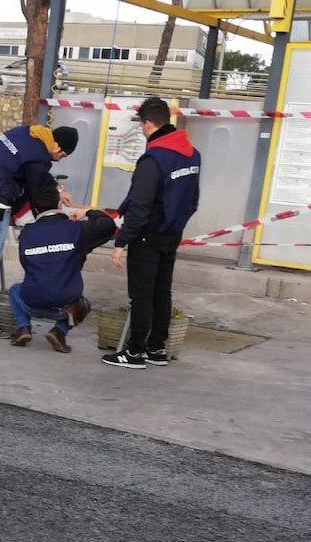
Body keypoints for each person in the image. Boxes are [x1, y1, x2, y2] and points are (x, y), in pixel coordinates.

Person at [103, 96, 201, 370]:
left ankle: (134, 352)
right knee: (162, 293)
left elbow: (140, 206)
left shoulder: (153, 159)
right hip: (171, 234)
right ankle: (157, 348)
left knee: (141, 295)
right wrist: (175, 224)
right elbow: (193, 200)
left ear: (146, 124)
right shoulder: (192, 154)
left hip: (147, 236)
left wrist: (121, 242)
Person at [0, 124, 81, 338]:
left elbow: (32, 168)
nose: (58, 159)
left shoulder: (24, 133)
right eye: (62, 155)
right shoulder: (38, 157)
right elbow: (37, 188)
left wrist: (57, 188)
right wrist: (54, 215)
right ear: (57, 145)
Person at [9, 179, 116, 353]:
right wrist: (88, 212)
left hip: (31, 302)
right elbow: (108, 225)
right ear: (60, 204)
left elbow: (26, 265)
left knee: (14, 290)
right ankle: (59, 331)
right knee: (85, 303)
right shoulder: (77, 230)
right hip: (66, 306)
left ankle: (23, 328)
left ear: (35, 210)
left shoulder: (26, 234)